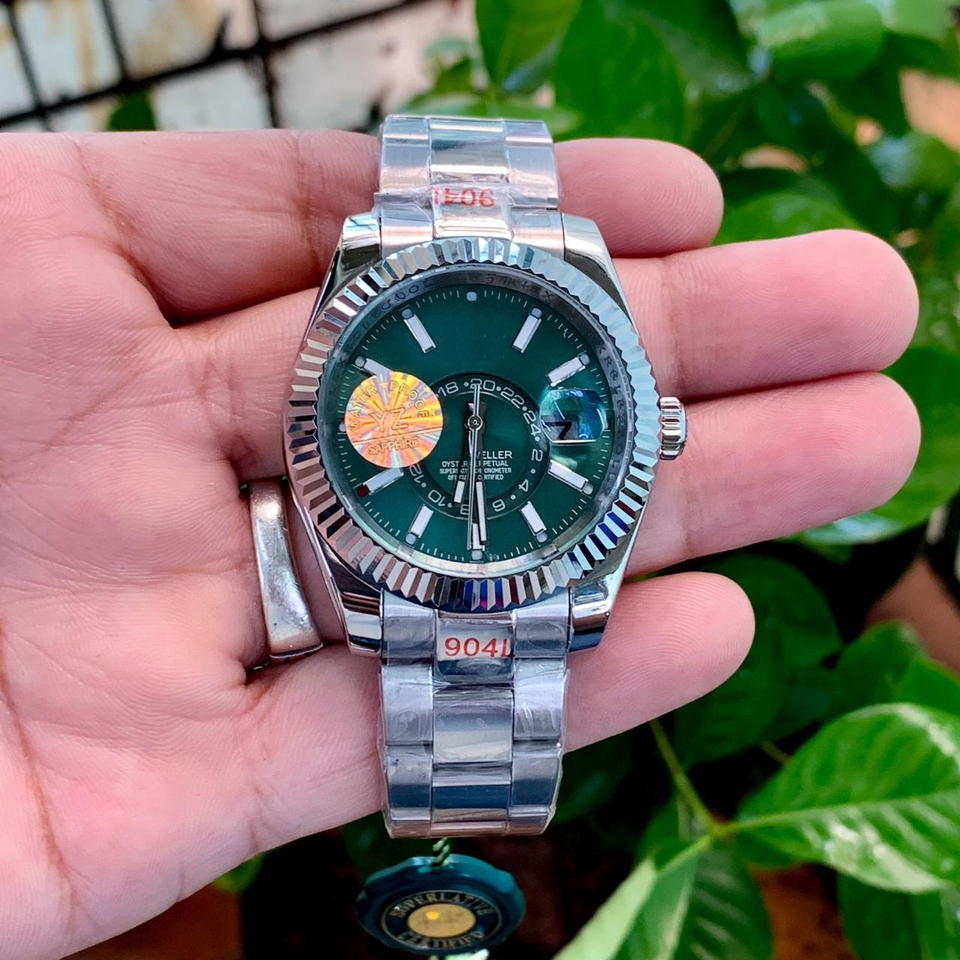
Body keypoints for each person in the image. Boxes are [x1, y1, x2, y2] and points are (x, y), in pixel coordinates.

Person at [0, 130, 920, 960]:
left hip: (476, 547)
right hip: (416, 553)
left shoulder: (581, 351)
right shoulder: (377, 339)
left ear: (655, 427)